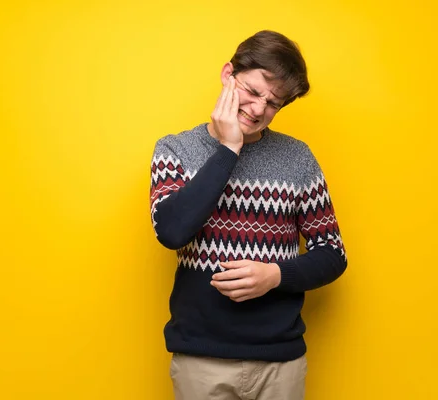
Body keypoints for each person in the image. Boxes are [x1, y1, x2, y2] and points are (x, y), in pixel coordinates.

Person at [149, 30, 347, 400]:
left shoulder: (297, 157)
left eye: (273, 103)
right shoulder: (174, 150)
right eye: (253, 92)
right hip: (200, 360)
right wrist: (228, 148)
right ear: (228, 74)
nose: (258, 110)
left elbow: (332, 254)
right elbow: (172, 231)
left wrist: (275, 275)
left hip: (280, 362)